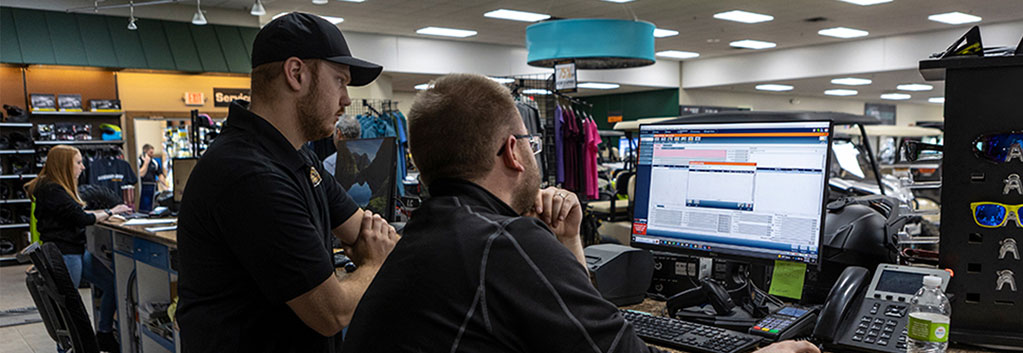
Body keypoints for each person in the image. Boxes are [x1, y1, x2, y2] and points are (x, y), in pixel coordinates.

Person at [341, 74, 819, 353]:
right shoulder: (502, 242)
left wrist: (568, 241)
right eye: (528, 143)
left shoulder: (431, 232)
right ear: (512, 151)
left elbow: (582, 326)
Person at [176, 12, 398, 353]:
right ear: (296, 74)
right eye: (340, 80)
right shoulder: (248, 174)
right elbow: (332, 311)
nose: (346, 99)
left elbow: (363, 229)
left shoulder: (297, 158)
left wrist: (378, 249)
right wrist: (375, 263)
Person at [25, 145, 131, 352]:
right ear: (65, 165)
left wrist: (104, 212)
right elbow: (82, 218)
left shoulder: (55, 187)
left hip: (75, 251)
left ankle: (104, 333)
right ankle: (66, 349)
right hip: (65, 255)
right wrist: (111, 211)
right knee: (68, 308)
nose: (83, 167)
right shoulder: (52, 190)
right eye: (78, 162)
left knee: (110, 284)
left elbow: (76, 211)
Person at [136, 144, 164, 213]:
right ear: (145, 152)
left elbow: (160, 174)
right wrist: (146, 163)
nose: (152, 155)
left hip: (153, 186)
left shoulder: (154, 162)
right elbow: (141, 174)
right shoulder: (139, 162)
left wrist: (165, 185)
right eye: (150, 153)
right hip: (143, 187)